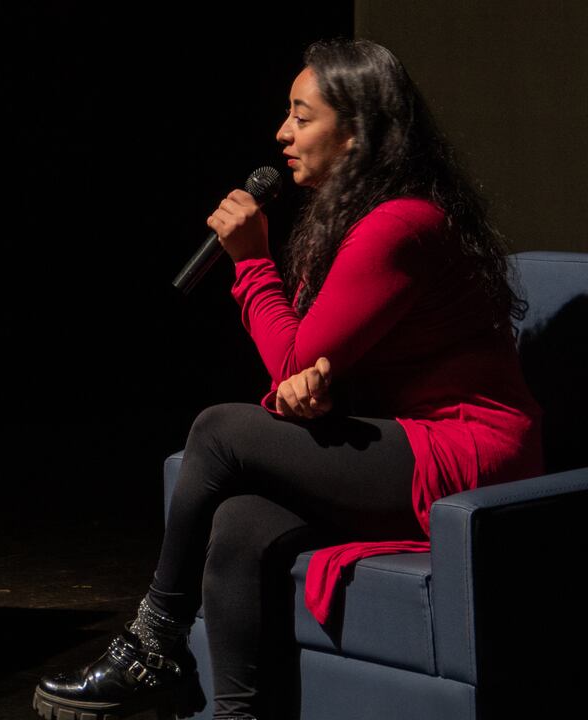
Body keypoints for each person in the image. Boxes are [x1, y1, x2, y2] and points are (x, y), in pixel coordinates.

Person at [32, 39, 542, 720]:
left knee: (219, 429)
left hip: (467, 453)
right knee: (241, 521)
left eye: (302, 117)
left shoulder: (400, 225)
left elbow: (293, 356)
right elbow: (313, 367)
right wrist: (312, 388)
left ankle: (154, 642)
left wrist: (249, 264)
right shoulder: (351, 222)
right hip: (405, 437)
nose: (282, 135)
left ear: (357, 133)